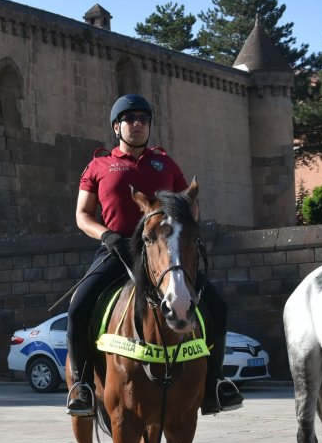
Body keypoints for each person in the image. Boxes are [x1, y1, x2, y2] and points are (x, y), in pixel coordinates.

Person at [65, 94, 242, 418]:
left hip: (163, 255)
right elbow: (82, 215)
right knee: (79, 306)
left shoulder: (165, 163)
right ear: (117, 126)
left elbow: (188, 205)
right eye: (130, 119)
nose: (137, 124)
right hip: (118, 253)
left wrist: (185, 225)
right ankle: (81, 385)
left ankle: (215, 383)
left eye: (143, 119)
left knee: (217, 305)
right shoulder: (98, 166)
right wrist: (107, 235)